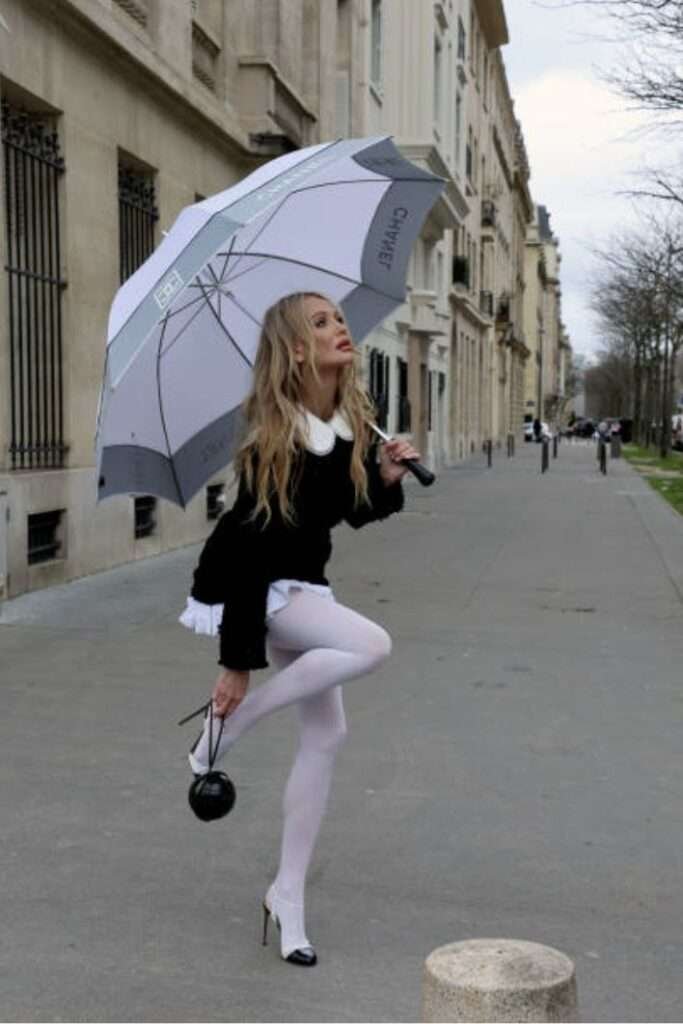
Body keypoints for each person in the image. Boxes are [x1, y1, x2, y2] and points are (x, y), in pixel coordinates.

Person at [179, 292, 419, 967]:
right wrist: (236, 665)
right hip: (257, 590)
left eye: (339, 318)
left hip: (303, 585)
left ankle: (287, 896)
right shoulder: (273, 437)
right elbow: (250, 555)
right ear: (293, 350)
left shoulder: (344, 424)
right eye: (320, 323)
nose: (339, 328)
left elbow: (346, 513)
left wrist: (387, 477)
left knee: (326, 734)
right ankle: (222, 732)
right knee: (369, 644)